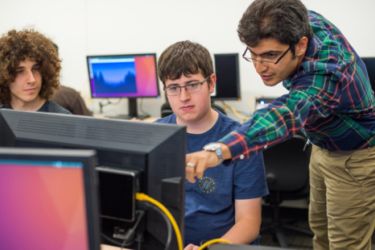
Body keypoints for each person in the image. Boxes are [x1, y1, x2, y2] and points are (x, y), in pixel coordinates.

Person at [186, 0, 375, 249]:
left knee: (345, 244)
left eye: (270, 55)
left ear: (301, 45)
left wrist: (219, 150)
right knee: (320, 232)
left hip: (356, 156)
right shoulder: (300, 21)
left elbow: (283, 115)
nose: (259, 67)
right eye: (253, 54)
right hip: (323, 145)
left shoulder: (326, 77)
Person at [156, 41, 268, 249]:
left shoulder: (239, 141)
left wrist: (207, 249)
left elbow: (249, 223)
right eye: (173, 87)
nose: (184, 97)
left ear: (211, 83)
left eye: (192, 84)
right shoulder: (155, 137)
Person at [0, 29, 69, 114]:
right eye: (20, 71)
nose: (32, 80)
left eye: (36, 69)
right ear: (3, 75)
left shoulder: (62, 119)